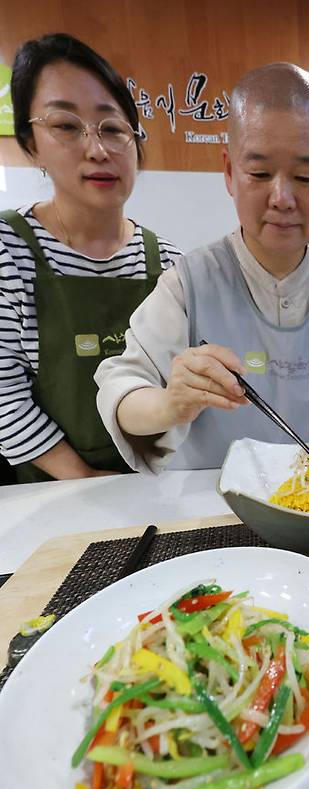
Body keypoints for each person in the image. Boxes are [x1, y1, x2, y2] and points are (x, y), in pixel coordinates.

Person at [95, 63, 309, 473]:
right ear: (229, 171)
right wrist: (171, 403)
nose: (281, 197)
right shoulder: (189, 284)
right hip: (212, 513)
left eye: (304, 175)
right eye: (260, 173)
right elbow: (122, 391)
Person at [0, 33, 180, 482]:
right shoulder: (9, 249)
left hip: (152, 485)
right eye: (66, 125)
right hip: (51, 492)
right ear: (31, 143)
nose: (97, 149)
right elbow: (4, 396)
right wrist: (83, 479)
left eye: (113, 128)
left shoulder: (171, 263)